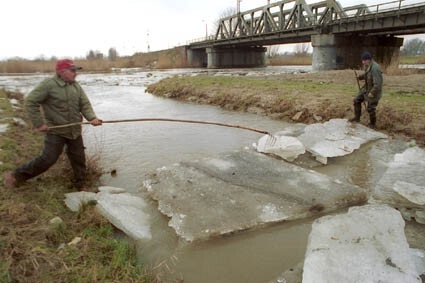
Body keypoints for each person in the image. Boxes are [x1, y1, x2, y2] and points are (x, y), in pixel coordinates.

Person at [3, 59, 102, 191]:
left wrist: (92, 118)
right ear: (61, 72)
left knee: (78, 159)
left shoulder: (76, 86)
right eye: (72, 71)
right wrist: (39, 123)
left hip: (74, 130)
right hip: (56, 131)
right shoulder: (48, 85)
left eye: (76, 71)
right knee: (48, 159)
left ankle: (80, 184)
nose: (75, 73)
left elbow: (84, 104)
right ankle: (15, 176)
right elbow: (30, 102)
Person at [350, 52, 383, 129]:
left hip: (374, 91)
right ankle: (357, 118)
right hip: (366, 88)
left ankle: (372, 124)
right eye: (362, 60)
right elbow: (367, 75)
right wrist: (360, 77)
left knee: (370, 108)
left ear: (369, 60)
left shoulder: (375, 68)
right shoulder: (367, 66)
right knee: (356, 100)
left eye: (364, 60)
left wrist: (372, 92)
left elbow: (378, 84)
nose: (363, 62)